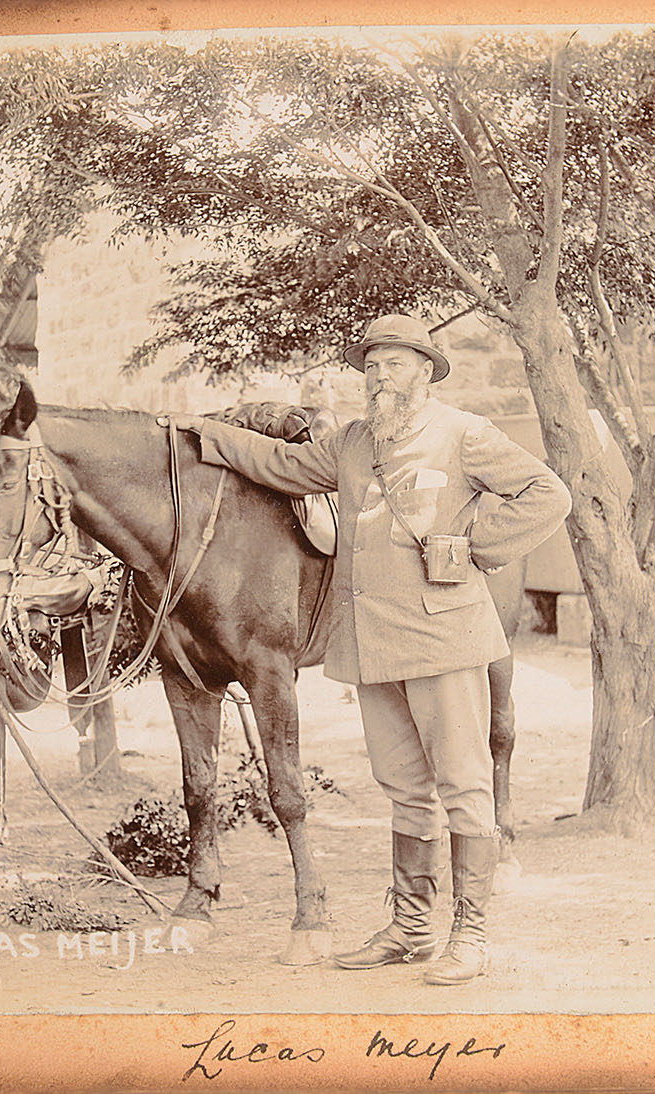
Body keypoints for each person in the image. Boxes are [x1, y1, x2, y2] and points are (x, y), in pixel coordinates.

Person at [170, 314, 571, 984]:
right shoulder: (354, 442)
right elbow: (281, 464)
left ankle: (469, 936)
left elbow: (546, 494)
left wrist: (472, 549)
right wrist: (204, 435)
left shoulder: (463, 433)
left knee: (464, 786)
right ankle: (412, 928)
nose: (380, 377)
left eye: (394, 364)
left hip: (442, 634)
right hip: (373, 644)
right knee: (405, 789)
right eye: (372, 365)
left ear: (424, 369)